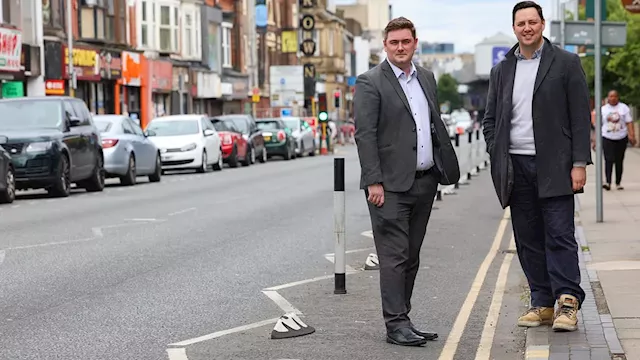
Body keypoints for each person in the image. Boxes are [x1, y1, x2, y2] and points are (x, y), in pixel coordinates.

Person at [482, 1, 591, 332]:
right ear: (514, 28)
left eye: (532, 21)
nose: (526, 28)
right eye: (520, 23)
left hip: (555, 165)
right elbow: (491, 120)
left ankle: (568, 302)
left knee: (559, 234)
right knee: (528, 238)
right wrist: (496, 151)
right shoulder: (501, 70)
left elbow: (580, 118)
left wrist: (578, 163)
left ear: (542, 24)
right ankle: (542, 302)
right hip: (516, 166)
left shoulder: (566, 63)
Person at [354, 16, 460, 346]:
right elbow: (365, 134)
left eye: (406, 41)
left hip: (424, 183)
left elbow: (430, 125)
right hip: (388, 187)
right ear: (385, 46)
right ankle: (395, 324)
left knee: (412, 257)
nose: (401, 47)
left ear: (415, 43)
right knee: (394, 257)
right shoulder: (370, 81)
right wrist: (373, 181)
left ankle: (404, 318)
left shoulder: (426, 77)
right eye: (394, 42)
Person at [600, 90, 636, 190]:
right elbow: (598, 124)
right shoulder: (603, 109)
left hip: (621, 137)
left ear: (618, 97)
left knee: (619, 160)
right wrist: (595, 139)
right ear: (608, 97)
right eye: (611, 96)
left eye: (615, 96)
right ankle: (608, 182)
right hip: (607, 137)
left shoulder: (623, 108)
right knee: (608, 159)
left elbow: (629, 122)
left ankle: (618, 182)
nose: (613, 98)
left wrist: (632, 135)